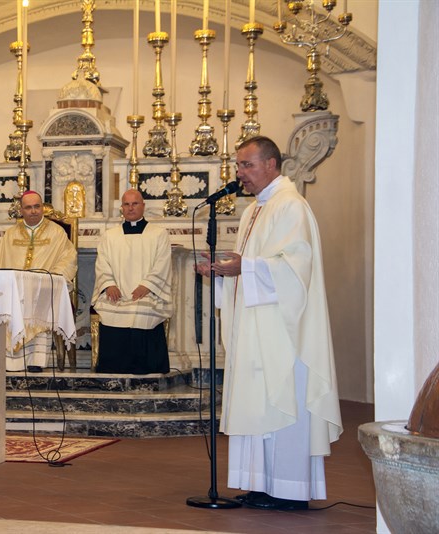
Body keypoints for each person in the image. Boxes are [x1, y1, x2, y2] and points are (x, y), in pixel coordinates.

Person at [195, 136, 343, 510]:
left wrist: (244, 267)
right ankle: (260, 484)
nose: (239, 174)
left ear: (272, 164)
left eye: (247, 165)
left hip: (282, 332)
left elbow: (297, 268)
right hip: (255, 328)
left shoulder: (291, 206)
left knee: (281, 399)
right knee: (256, 404)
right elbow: (252, 265)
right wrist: (221, 273)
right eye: (238, 166)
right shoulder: (254, 211)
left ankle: (289, 490)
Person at [0, 190, 78, 371]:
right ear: (21, 210)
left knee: (39, 303)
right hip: (13, 290)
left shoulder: (56, 233)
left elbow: (69, 258)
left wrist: (54, 279)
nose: (33, 211)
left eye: (37, 207)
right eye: (28, 207)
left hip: (42, 290)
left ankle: (36, 361)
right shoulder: (11, 234)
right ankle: (9, 361)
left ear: (42, 208)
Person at [92, 189, 172, 374]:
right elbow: (102, 262)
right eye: (126, 204)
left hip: (147, 293)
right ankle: (112, 369)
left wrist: (147, 285)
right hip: (116, 292)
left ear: (143, 206)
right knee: (110, 311)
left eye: (135, 203)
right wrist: (109, 284)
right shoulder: (110, 235)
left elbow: (162, 263)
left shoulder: (158, 234)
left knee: (141, 309)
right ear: (122, 208)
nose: (130, 208)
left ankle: (144, 369)